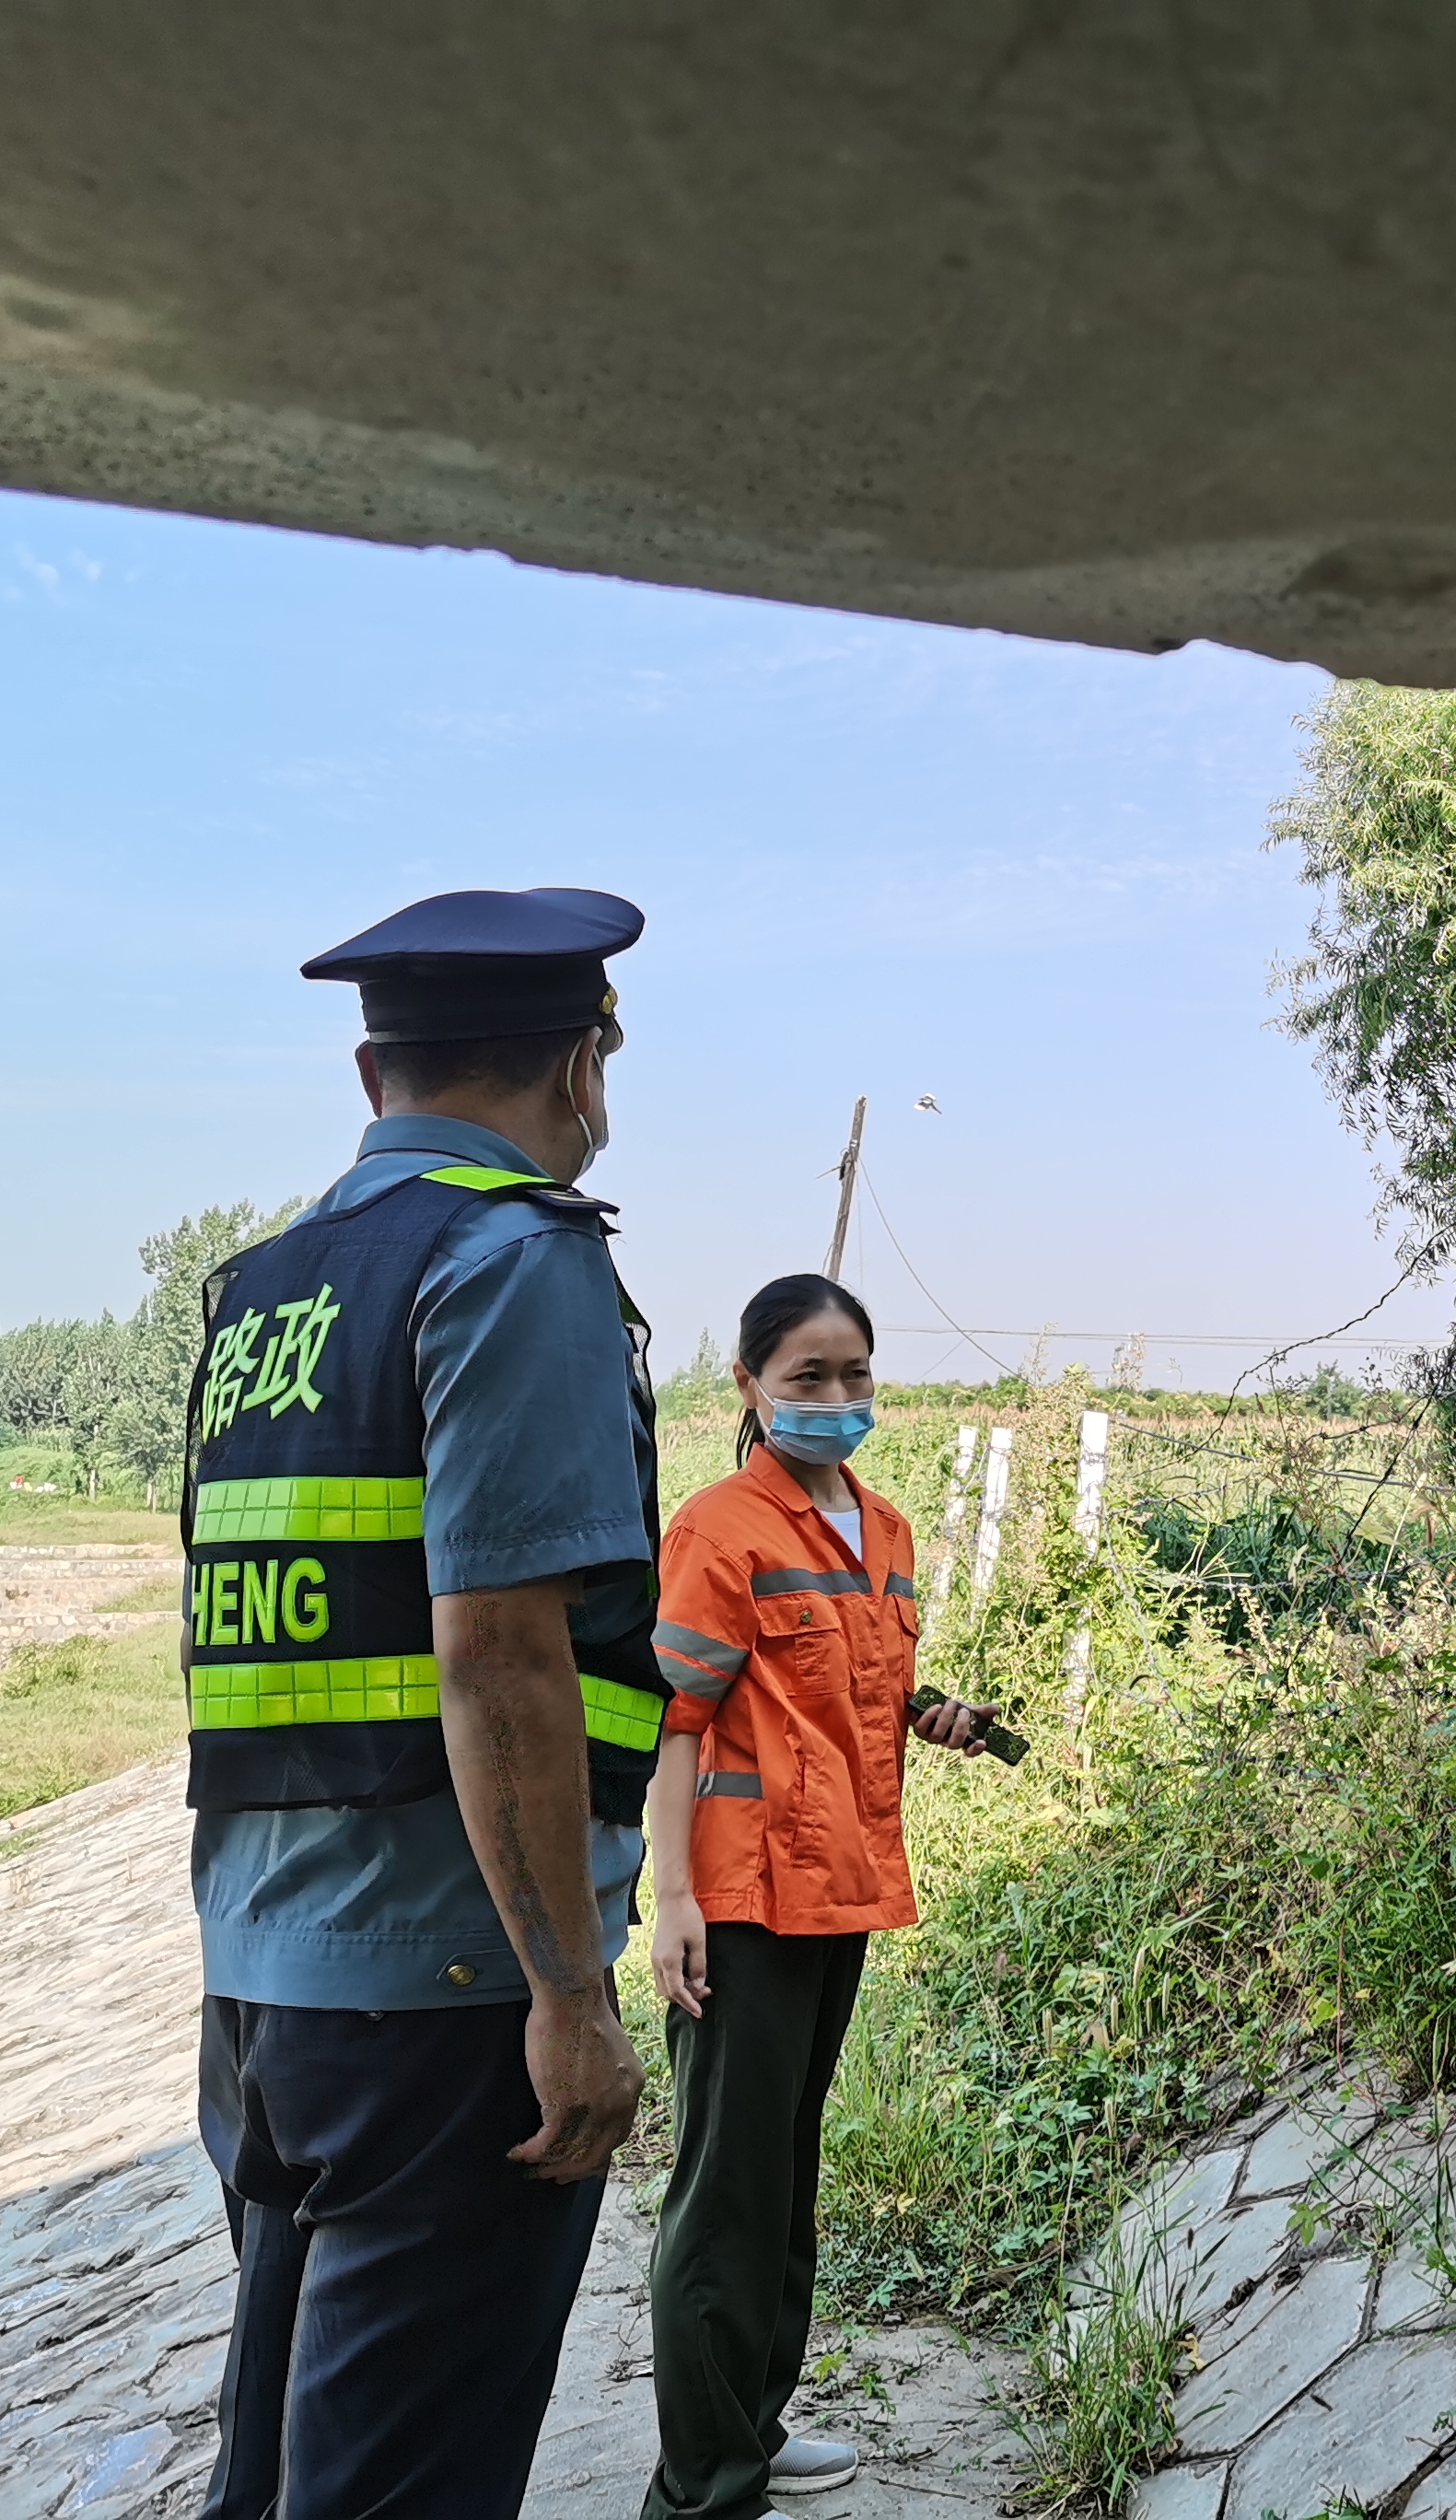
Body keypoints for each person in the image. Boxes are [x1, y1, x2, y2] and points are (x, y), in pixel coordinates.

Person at [188, 886, 669, 2520]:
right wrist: (567, 1994)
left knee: (280, 2475)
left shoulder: (270, 1286)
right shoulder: (515, 1258)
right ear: (582, 1065)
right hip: (449, 1986)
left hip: (265, 1981)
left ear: (368, 1073)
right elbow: (500, 1652)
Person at [638, 1274, 998, 2520]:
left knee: (784, 2184)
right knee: (724, 2201)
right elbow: (679, 1725)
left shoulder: (883, 1528)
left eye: (855, 1374)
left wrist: (928, 1712)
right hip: (742, 1902)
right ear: (750, 1384)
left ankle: (752, 2424)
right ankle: (703, 2489)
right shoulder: (721, 1529)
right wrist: (673, 1897)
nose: (837, 1397)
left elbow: (843, 1691)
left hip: (840, 1889)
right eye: (808, 1376)